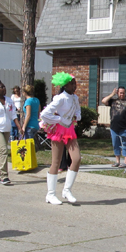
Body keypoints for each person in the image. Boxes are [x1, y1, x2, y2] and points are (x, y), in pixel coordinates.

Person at [41, 73, 82, 204]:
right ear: (65, 85)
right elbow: (44, 114)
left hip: (70, 130)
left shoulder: (75, 98)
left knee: (76, 159)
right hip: (58, 131)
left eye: (75, 83)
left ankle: (67, 190)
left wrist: (76, 117)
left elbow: (78, 113)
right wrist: (60, 119)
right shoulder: (60, 98)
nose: (74, 86)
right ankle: (50, 194)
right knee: (56, 162)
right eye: (72, 83)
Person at [0, 79, 23, 185]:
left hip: (6, 128)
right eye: (1, 87)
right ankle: (4, 176)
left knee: (0, 152)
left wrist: (19, 127)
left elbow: (13, 116)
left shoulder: (9, 101)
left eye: (4, 87)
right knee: (3, 149)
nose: (4, 89)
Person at [102, 86, 126, 167]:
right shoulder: (112, 101)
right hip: (114, 127)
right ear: (117, 93)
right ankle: (117, 161)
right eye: (120, 93)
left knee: (125, 144)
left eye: (123, 93)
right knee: (115, 144)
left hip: (125, 127)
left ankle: (125, 162)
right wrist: (112, 94)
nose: (122, 94)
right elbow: (104, 101)